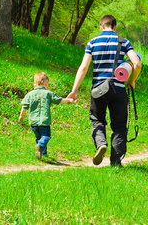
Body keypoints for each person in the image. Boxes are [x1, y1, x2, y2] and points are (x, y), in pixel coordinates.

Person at [67, 15, 141, 166]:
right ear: (115, 27)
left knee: (97, 121)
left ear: (101, 26)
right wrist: (131, 80)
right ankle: (116, 163)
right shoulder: (124, 42)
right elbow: (137, 63)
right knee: (119, 126)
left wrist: (74, 91)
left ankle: (101, 143)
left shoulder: (92, 42)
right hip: (118, 88)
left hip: (98, 89)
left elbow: (83, 68)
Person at [19, 72, 74, 159]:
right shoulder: (48, 94)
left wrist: (21, 115)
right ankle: (40, 146)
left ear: (34, 83)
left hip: (33, 122)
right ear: (46, 83)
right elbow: (59, 100)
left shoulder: (29, 94)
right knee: (46, 136)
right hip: (44, 122)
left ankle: (43, 154)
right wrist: (68, 100)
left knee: (39, 138)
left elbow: (24, 106)